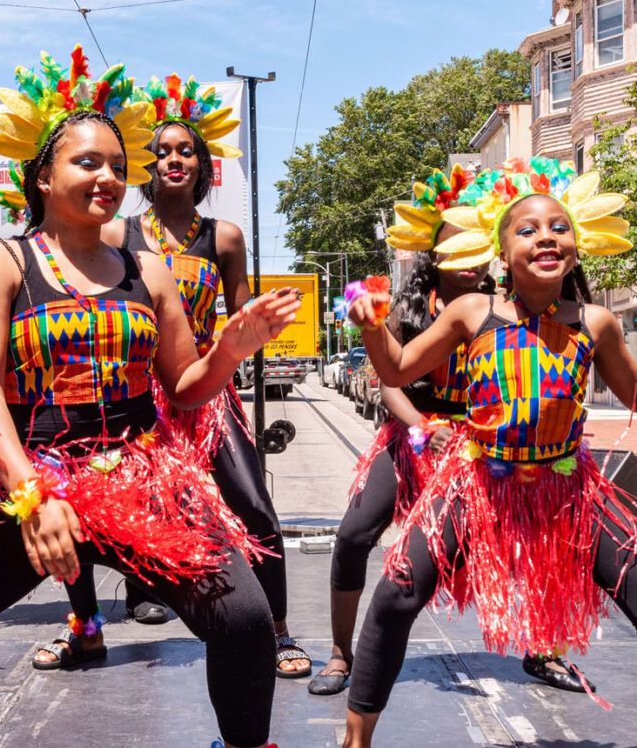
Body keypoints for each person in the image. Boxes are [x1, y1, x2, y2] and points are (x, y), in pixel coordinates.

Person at [0, 47, 298, 748]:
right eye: (87, 162)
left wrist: (231, 347)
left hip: (141, 476)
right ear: (43, 175)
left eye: (116, 165)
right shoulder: (0, 260)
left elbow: (186, 389)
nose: (107, 177)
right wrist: (30, 494)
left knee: (247, 620)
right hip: (32, 480)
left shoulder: (149, 270)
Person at [341, 157, 637, 747]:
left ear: (576, 248)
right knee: (397, 592)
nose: (546, 236)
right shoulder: (472, 312)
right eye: (527, 229)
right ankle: (355, 739)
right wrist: (372, 327)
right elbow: (397, 370)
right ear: (501, 255)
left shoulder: (597, 323)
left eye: (559, 227)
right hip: (476, 480)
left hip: (568, 486)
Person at [32, 72, 309, 678]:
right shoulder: (115, 233)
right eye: (161, 151)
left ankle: (278, 630)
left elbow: (241, 316)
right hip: (135, 396)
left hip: (204, 391)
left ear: (203, 165)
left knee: (254, 509)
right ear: (144, 167)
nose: (174, 158)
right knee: (84, 506)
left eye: (187, 150)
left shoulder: (224, 237)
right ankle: (86, 628)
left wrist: (254, 329)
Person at [309, 166, 588, 694]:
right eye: (451, 245)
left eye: (474, 245)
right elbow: (389, 381)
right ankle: (342, 655)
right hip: (415, 440)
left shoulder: (505, 307)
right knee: (352, 536)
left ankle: (544, 648)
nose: (465, 257)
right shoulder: (415, 308)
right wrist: (420, 429)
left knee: (537, 538)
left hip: (486, 450)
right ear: (433, 254)